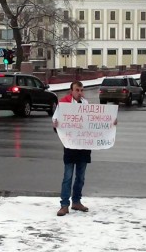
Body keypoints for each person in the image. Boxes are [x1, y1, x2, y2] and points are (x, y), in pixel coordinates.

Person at [52, 81, 92, 217]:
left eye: (81, 90)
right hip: (70, 146)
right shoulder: (64, 104)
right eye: (77, 90)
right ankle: (64, 205)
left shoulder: (86, 105)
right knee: (68, 177)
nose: (79, 93)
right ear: (71, 91)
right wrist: (55, 124)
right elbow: (56, 121)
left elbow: (95, 122)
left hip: (84, 147)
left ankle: (76, 201)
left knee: (80, 177)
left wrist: (111, 122)